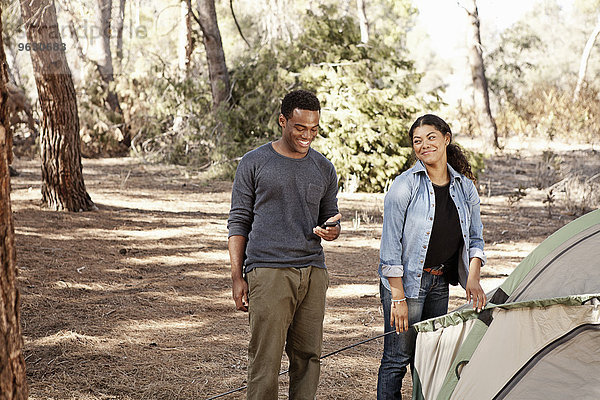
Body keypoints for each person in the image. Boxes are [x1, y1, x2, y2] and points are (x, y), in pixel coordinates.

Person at [227, 89, 342, 400]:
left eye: (314, 129)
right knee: (265, 361)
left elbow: (330, 216)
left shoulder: (323, 167)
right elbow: (238, 223)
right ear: (282, 121)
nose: (308, 136)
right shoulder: (254, 162)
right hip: (268, 271)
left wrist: (333, 230)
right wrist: (238, 277)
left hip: (313, 272)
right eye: (300, 128)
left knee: (308, 357)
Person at [376, 114, 487, 399]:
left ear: (446, 139)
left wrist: (472, 278)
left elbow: (475, 238)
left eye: (431, 138)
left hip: (439, 283)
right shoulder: (404, 186)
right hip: (405, 284)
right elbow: (389, 248)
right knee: (397, 359)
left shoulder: (465, 187)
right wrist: (397, 297)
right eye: (417, 141)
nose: (424, 145)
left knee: (428, 361)